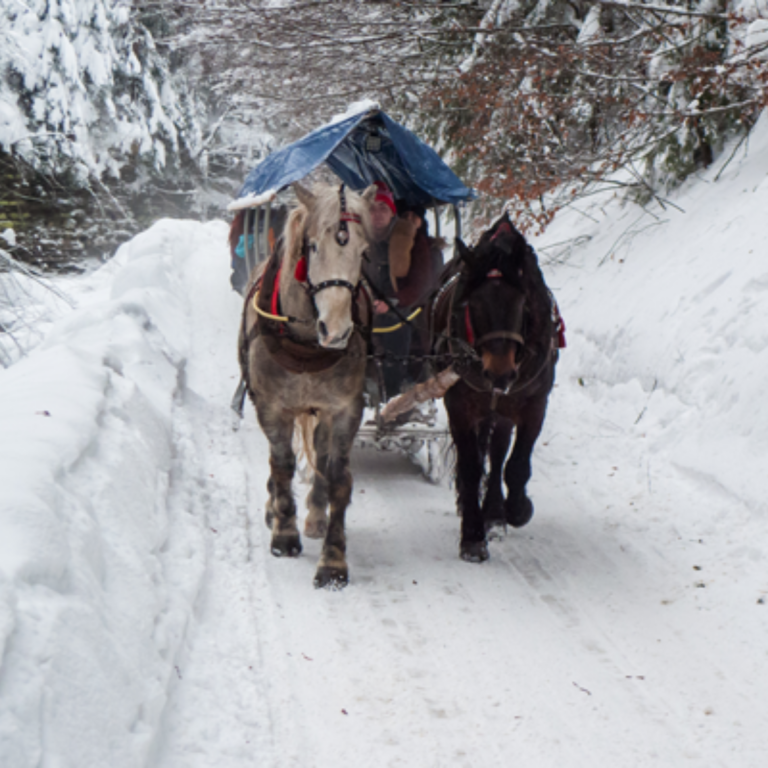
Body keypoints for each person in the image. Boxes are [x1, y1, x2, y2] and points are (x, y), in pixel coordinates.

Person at [366, 181, 445, 400]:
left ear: (392, 213)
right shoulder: (355, 239)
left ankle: (394, 389)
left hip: (402, 305)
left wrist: (392, 301)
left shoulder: (410, 238)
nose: (377, 214)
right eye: (372, 208)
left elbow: (421, 282)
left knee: (396, 330)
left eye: (383, 208)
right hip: (363, 304)